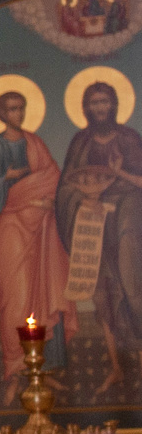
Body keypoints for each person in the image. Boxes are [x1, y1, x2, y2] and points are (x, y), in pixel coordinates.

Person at [56, 78, 142, 398]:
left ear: (115, 104)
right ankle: (116, 366)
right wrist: (83, 200)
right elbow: (67, 186)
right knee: (103, 288)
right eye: (94, 103)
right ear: (86, 108)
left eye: (105, 101)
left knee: (132, 281)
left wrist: (117, 174)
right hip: (95, 218)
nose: (100, 108)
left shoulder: (129, 138)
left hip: (130, 213)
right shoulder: (80, 142)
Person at [0, 87, 66, 377]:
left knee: (41, 294)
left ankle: (40, 371)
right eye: (12, 109)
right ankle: (15, 367)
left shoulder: (35, 142)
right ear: (2, 114)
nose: (18, 113)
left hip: (39, 229)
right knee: (16, 297)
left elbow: (53, 179)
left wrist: (46, 201)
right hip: (11, 229)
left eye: (20, 107)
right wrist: (7, 180)